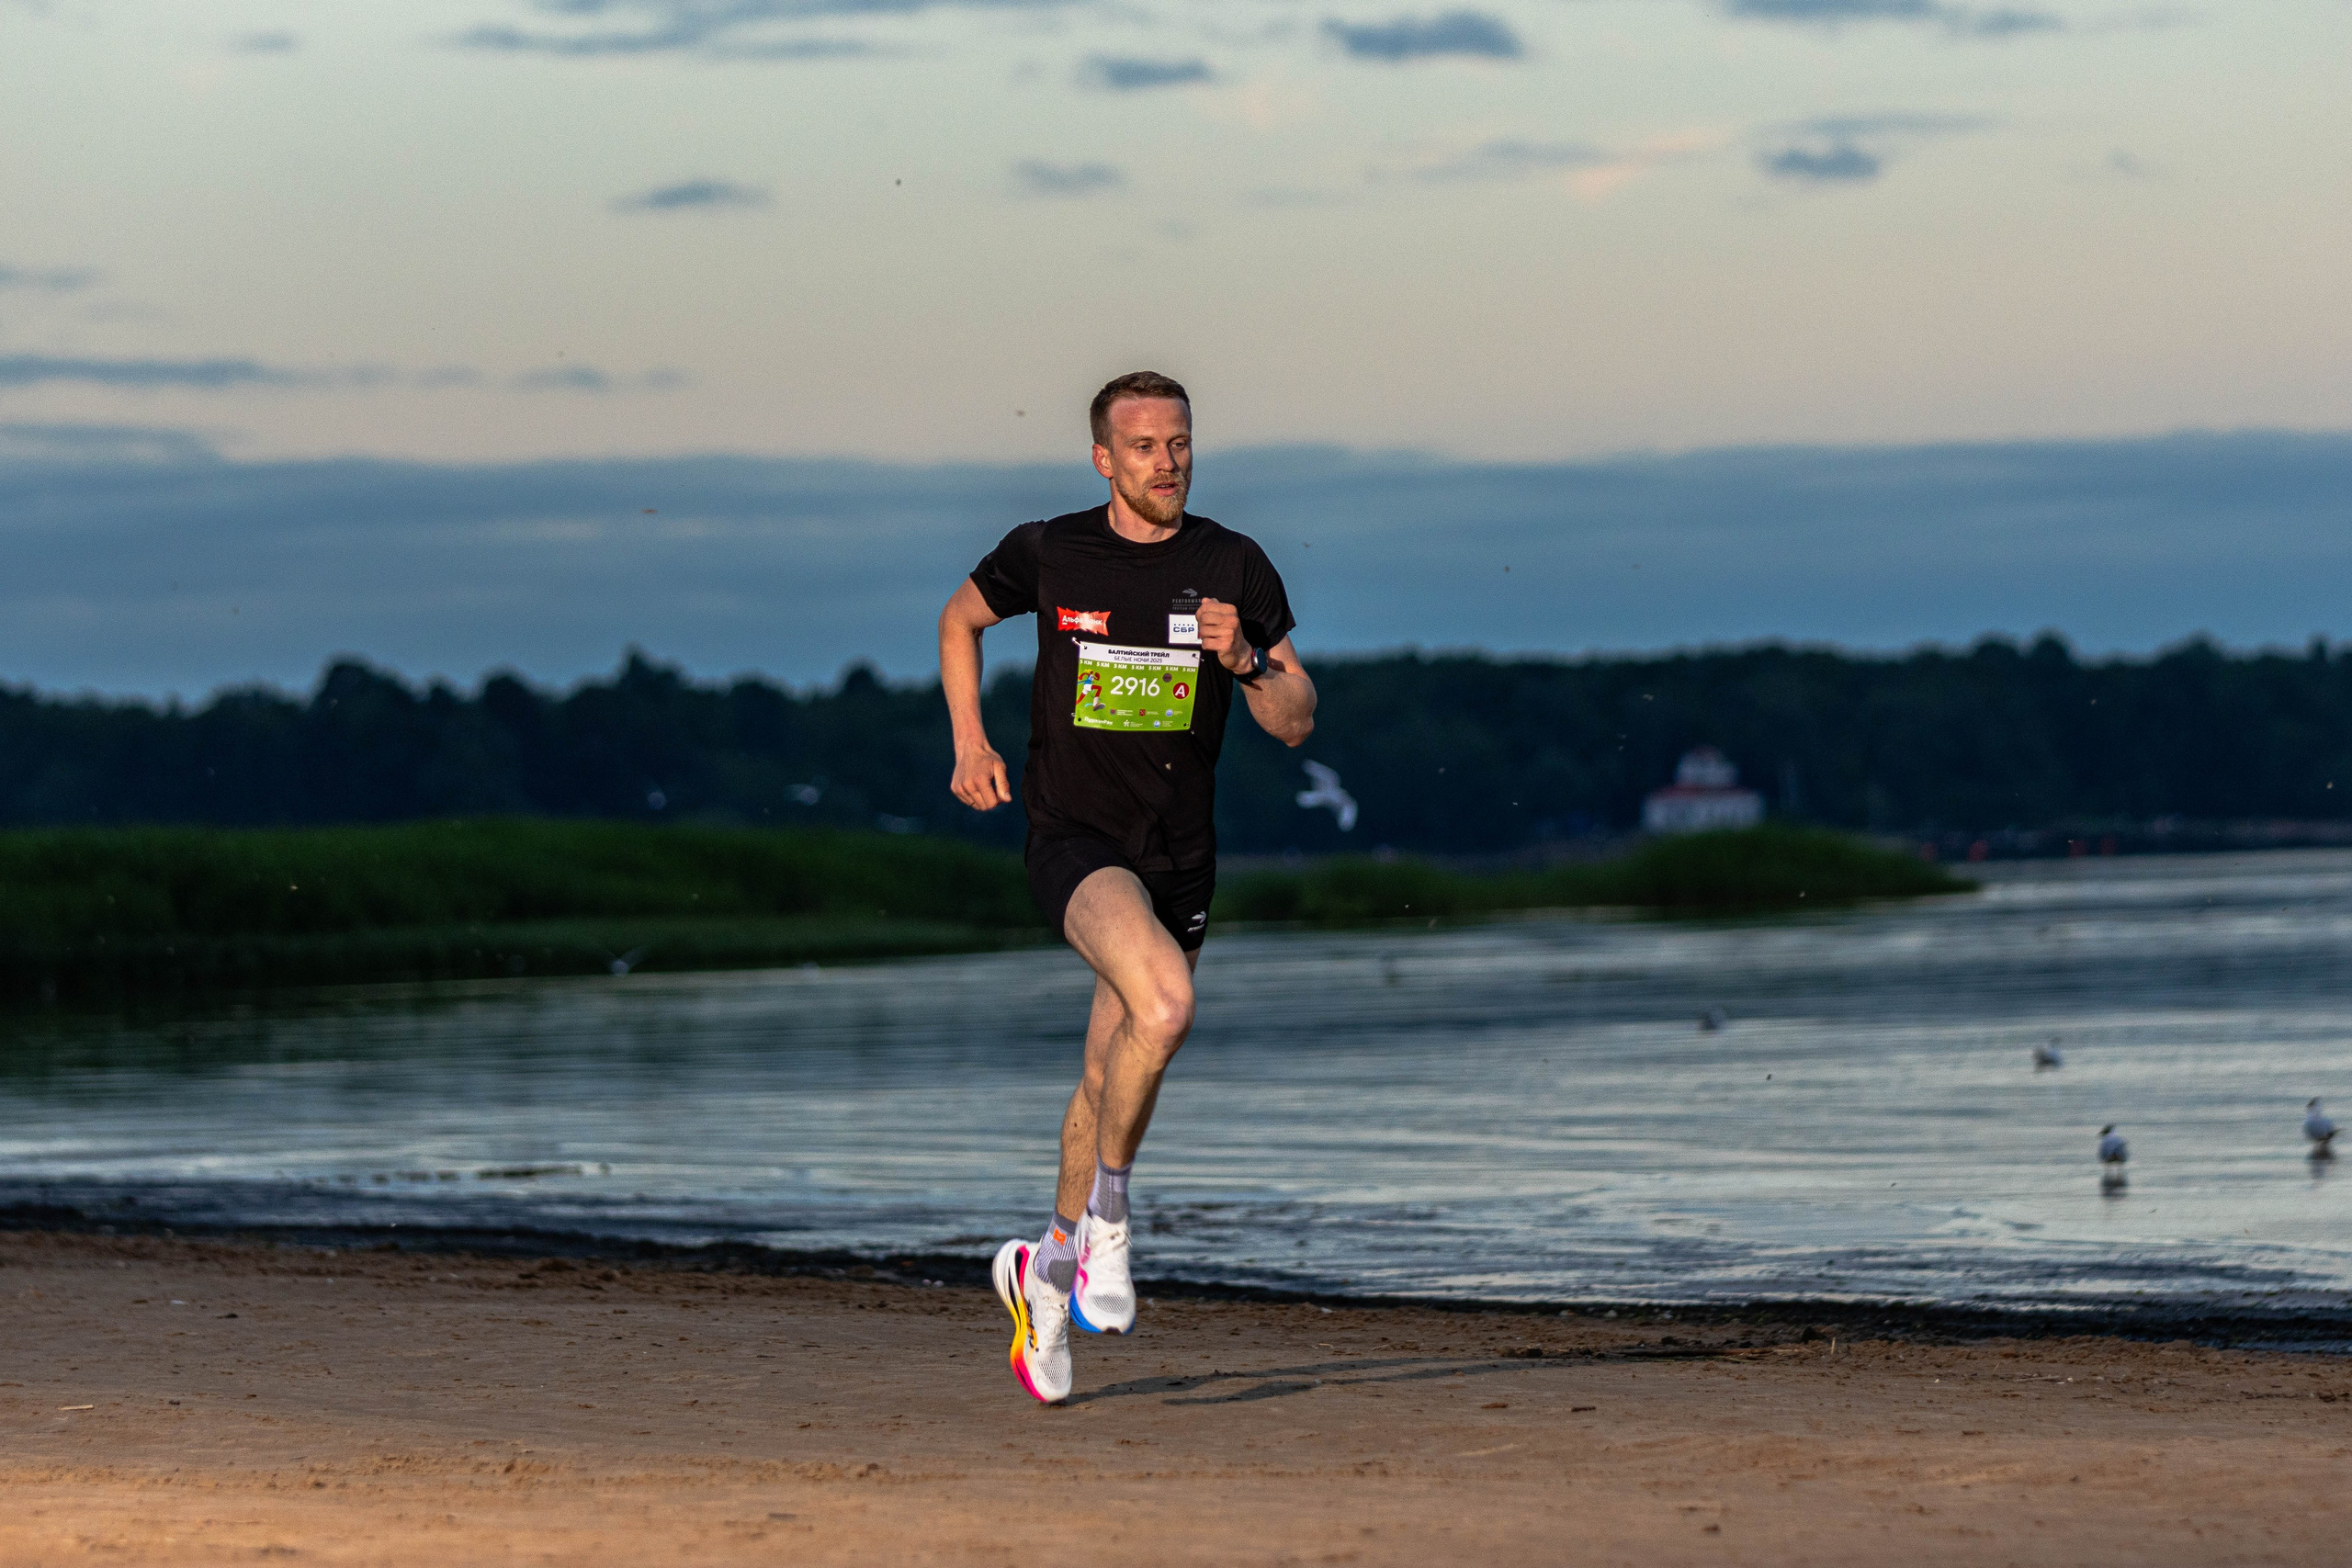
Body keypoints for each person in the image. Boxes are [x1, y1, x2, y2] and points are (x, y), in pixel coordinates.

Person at [938, 370, 1316, 1404]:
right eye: (1144, 446)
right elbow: (960, 620)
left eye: (1179, 443)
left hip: (1178, 857)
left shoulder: (1232, 564)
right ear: (1104, 458)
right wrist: (970, 740)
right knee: (1167, 1004)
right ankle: (1109, 1218)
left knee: (1110, 1072)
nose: (1167, 462)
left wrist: (1246, 659)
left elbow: (1296, 719)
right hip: (1074, 840)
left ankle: (1044, 1277)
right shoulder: (1049, 551)